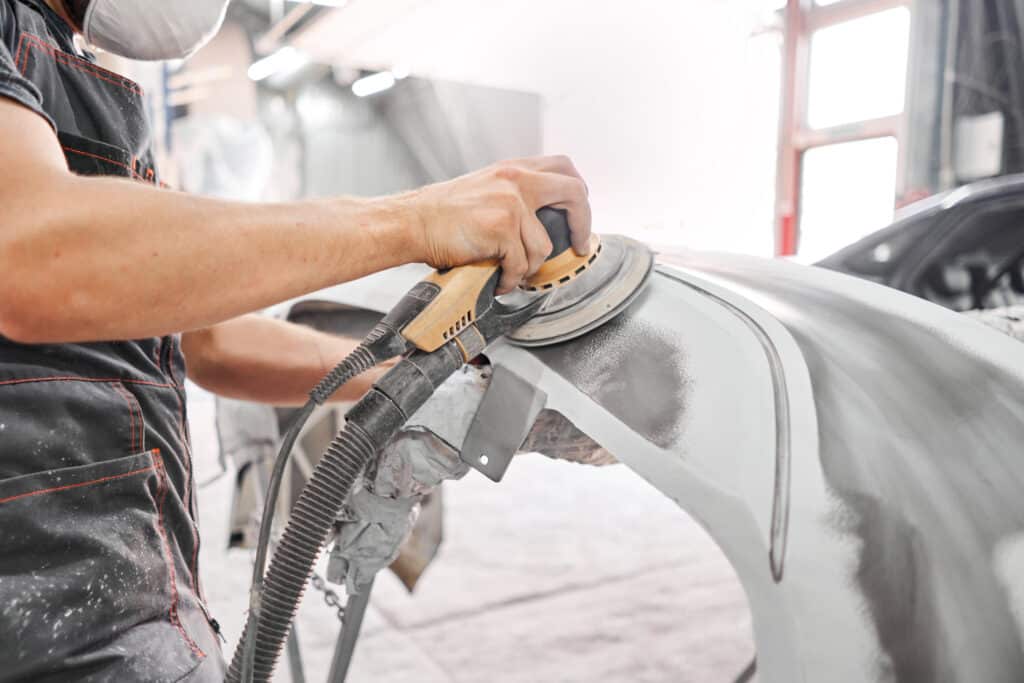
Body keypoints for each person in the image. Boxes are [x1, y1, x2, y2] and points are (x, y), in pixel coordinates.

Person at [0, 1, 592, 680]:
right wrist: (413, 219)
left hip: (126, 612)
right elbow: (35, 258)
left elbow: (209, 339)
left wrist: (423, 388)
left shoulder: (61, 70)